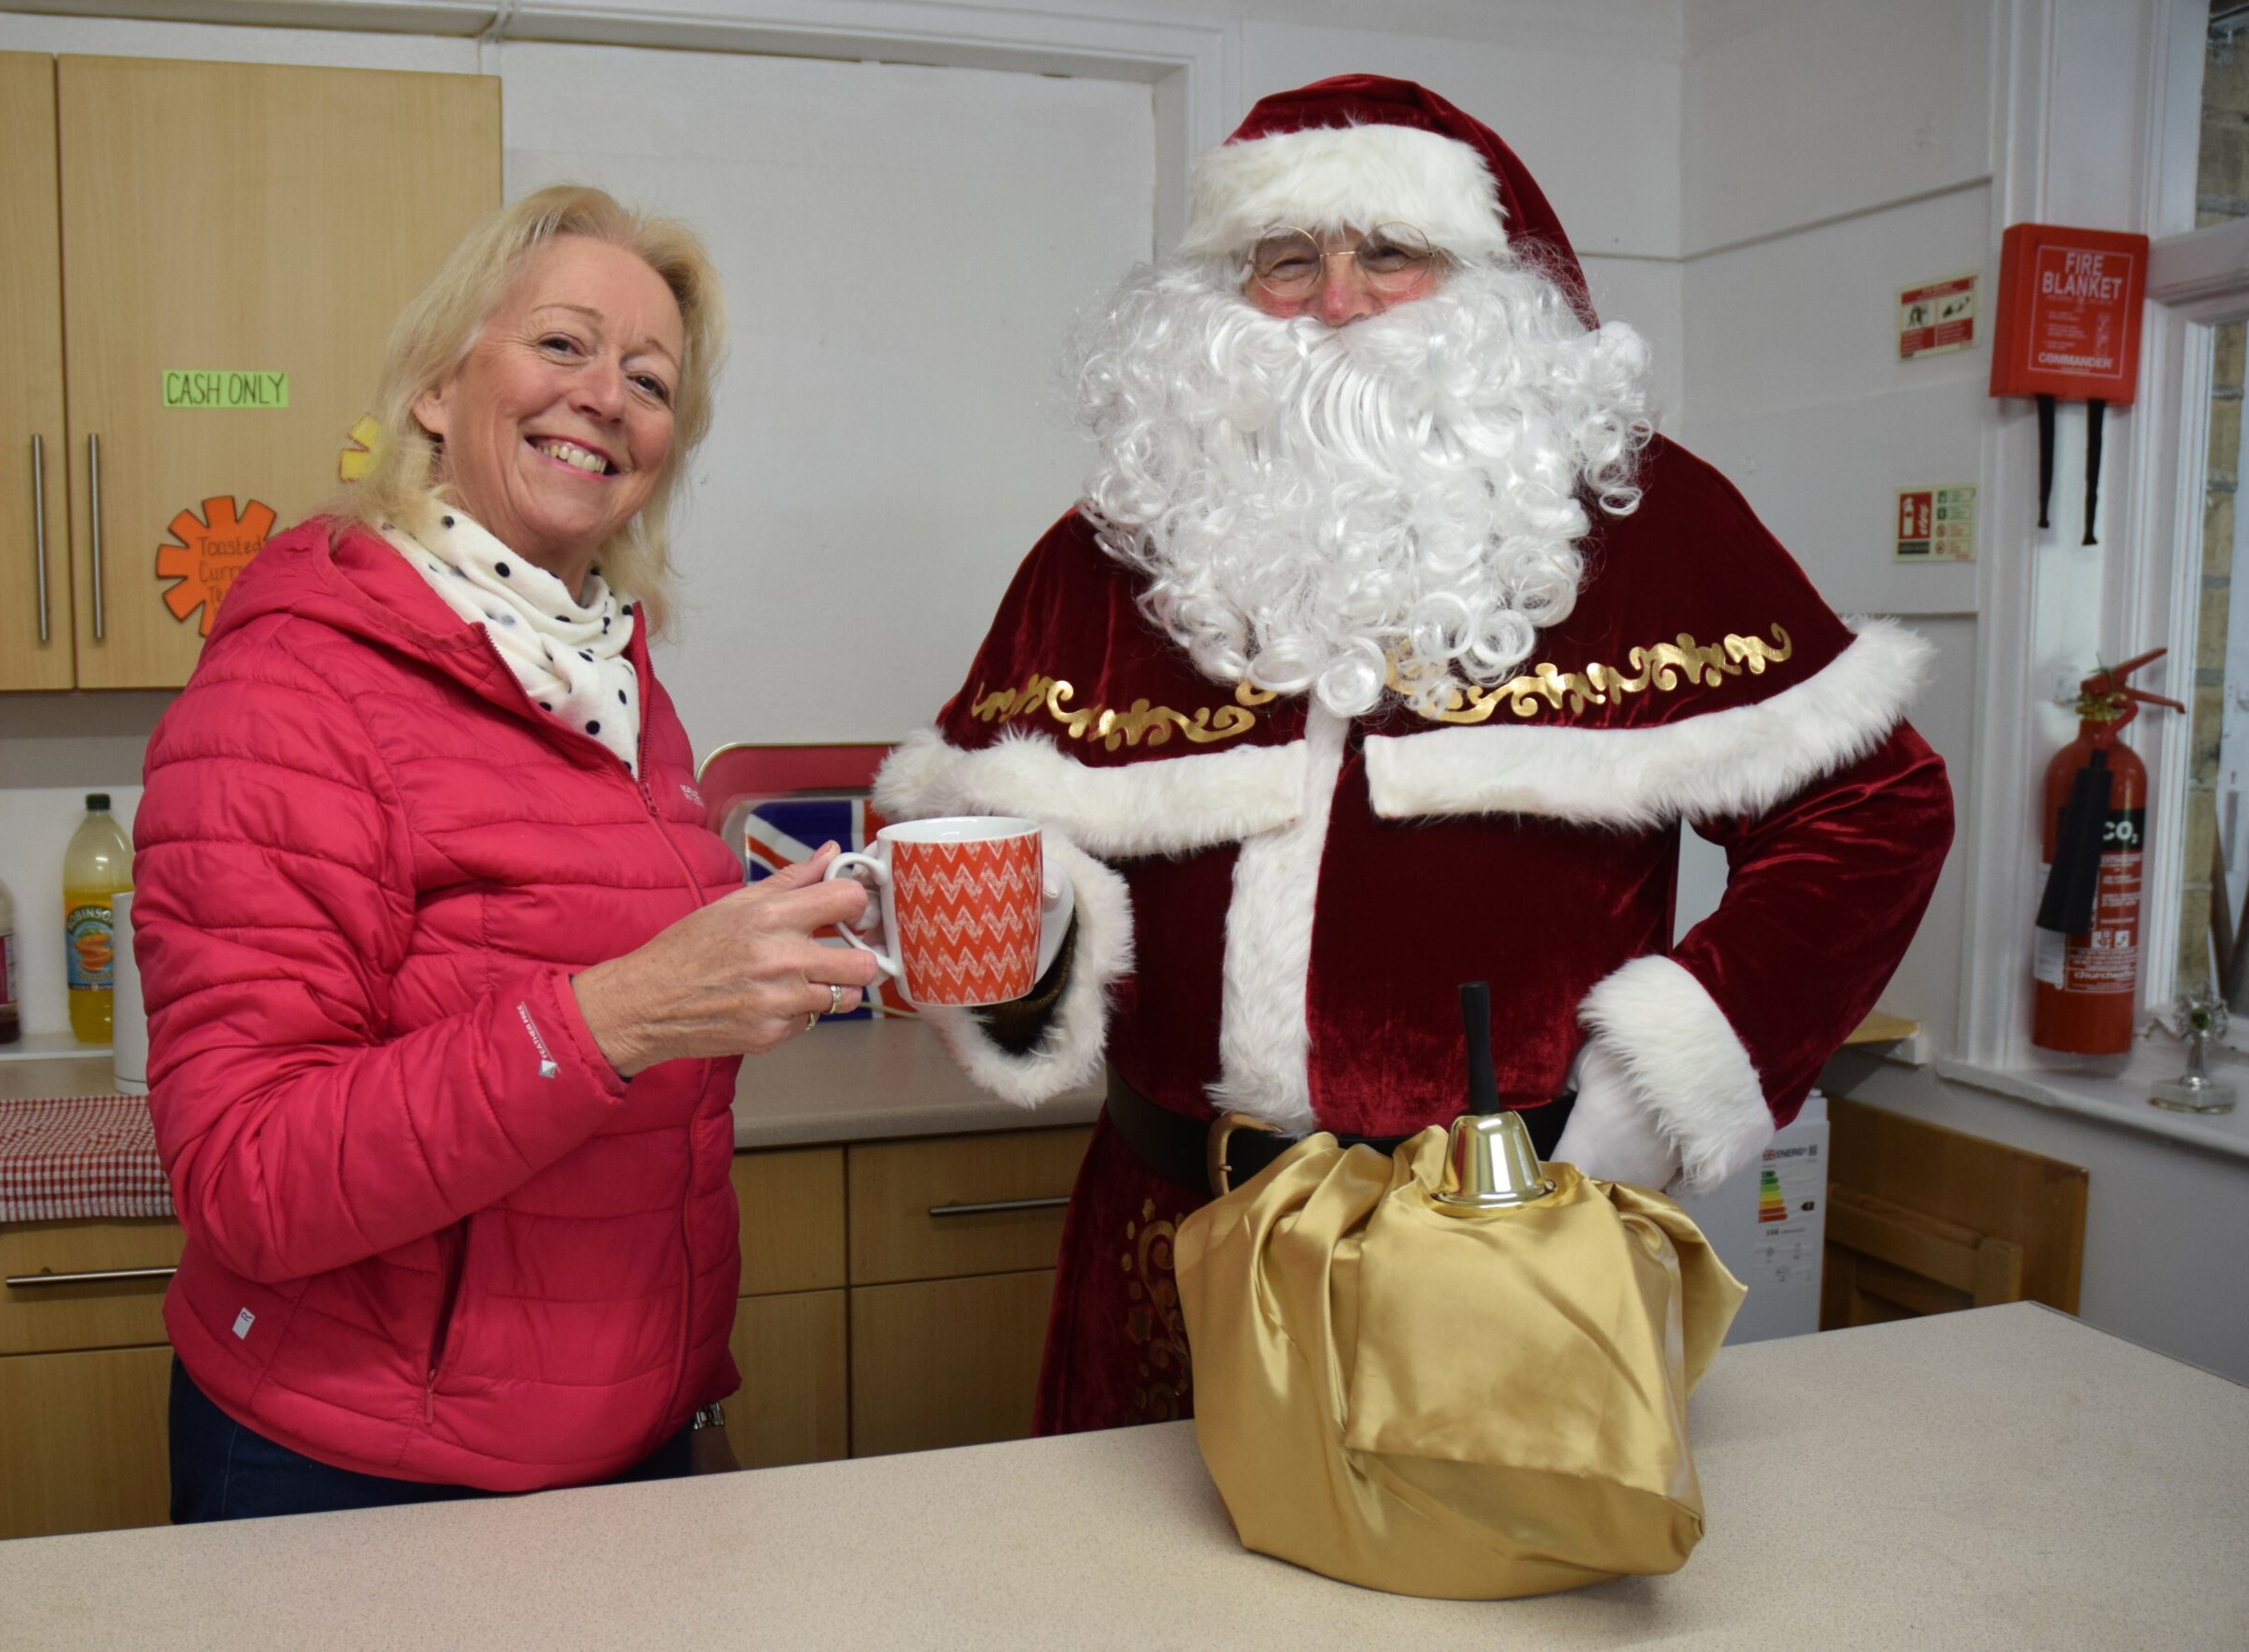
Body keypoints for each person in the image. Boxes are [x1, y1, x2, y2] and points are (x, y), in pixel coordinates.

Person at [873, 77, 1954, 1435]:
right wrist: (1030, 951)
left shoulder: (1653, 525)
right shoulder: (1113, 549)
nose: (1336, 300)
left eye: (1388, 252)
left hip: (1503, 1237)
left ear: (1489, 285)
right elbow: (988, 838)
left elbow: (1876, 808)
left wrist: (1651, 1088)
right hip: (1168, 1243)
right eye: (1289, 259)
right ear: (1226, 294)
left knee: (1482, 1608)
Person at [135, 184, 880, 1517]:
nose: (606, 395)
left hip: (624, 1441)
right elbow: (247, 1179)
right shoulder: (291, 690)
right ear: (432, 388)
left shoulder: (608, 680)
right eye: (561, 344)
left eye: (651, 380)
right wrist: (620, 1013)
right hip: (354, 1470)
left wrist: (684, 1390)